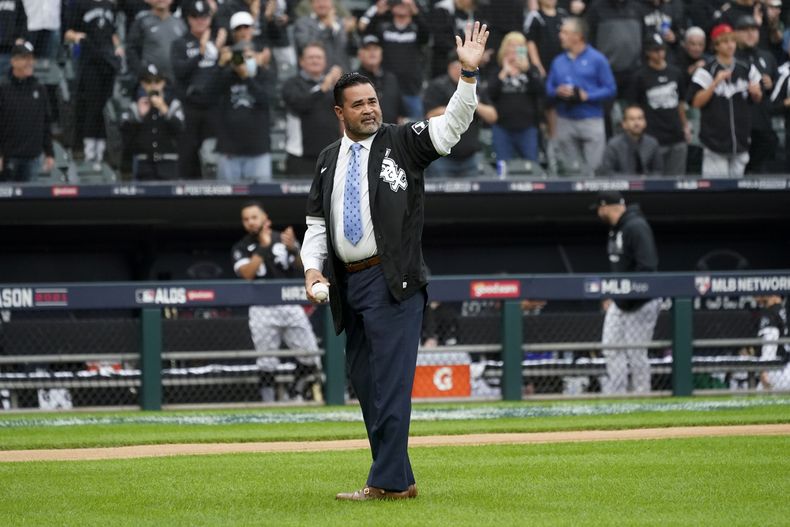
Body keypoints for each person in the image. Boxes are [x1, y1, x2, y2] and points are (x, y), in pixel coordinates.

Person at [300, 21, 488, 501]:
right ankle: (400, 480)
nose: (369, 109)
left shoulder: (402, 142)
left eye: (373, 101)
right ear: (339, 112)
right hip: (347, 286)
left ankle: (383, 483)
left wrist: (467, 77)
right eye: (358, 104)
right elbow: (317, 227)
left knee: (390, 388)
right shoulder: (325, 160)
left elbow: (451, 128)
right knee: (367, 386)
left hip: (394, 282)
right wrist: (312, 269)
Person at [232, 201, 322, 402]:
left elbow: (303, 267)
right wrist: (263, 249)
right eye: (246, 219)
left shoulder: (283, 240)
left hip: (289, 304)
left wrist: (293, 249)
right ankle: (268, 402)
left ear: (266, 219)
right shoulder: (242, 246)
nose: (250, 222)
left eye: (254, 217)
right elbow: (247, 274)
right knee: (266, 360)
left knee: (310, 354)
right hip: (261, 307)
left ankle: (295, 392)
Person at [592, 190, 660, 395]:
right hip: (621, 301)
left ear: (606, 207)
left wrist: (627, 295)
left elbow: (647, 267)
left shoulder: (636, 226)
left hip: (641, 302)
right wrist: (615, 295)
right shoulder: (617, 229)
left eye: (598, 208)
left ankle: (642, 395)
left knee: (636, 353)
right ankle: (616, 395)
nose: (597, 212)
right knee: (611, 348)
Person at [689, 23, 762, 178]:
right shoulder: (706, 71)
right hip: (715, 142)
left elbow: (758, 97)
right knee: (716, 194)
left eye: (732, 41)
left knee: (737, 195)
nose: (730, 45)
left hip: (741, 140)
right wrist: (715, 82)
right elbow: (695, 102)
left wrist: (756, 93)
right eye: (725, 41)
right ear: (716, 45)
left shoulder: (747, 67)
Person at [545, 16, 616, 175]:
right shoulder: (558, 61)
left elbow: (610, 89)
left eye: (564, 32)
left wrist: (587, 95)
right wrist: (557, 91)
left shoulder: (597, 59)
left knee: (594, 169)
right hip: (565, 120)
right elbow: (548, 88)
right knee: (570, 171)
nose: (560, 35)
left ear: (577, 36)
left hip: (591, 119)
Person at [214, 13, 274, 182]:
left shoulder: (264, 71)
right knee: (226, 203)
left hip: (258, 149)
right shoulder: (226, 73)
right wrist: (222, 65)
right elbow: (209, 94)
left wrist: (248, 76)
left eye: (249, 56)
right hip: (229, 149)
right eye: (240, 56)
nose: (244, 60)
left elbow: (267, 100)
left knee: (261, 200)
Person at [64, 0, 123, 166]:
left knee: (106, 106)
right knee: (92, 105)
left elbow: (113, 32)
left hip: (108, 62)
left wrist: (118, 47)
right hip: (90, 61)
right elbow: (67, 32)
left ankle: (102, 150)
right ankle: (90, 152)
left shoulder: (111, 6)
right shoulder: (81, 5)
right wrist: (77, 36)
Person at [423, 50, 497, 178]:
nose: (464, 70)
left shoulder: (475, 87)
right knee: (440, 198)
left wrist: (474, 104)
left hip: (470, 157)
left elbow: (493, 116)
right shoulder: (438, 86)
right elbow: (430, 115)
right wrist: (459, 106)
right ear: (451, 66)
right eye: (461, 66)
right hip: (442, 157)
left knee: (472, 197)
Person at [171, 0, 221, 180]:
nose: (200, 21)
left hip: (213, 108)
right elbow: (179, 71)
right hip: (190, 107)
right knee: (188, 153)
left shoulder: (218, 41)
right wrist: (200, 53)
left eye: (204, 17)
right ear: (188, 19)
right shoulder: (180, 43)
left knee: (212, 155)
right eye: (195, 17)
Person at [359, 0, 430, 121]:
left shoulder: (416, 27)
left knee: (415, 131)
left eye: (405, 3)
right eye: (397, 2)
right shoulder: (383, 26)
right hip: (386, 87)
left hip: (411, 88)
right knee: (384, 127)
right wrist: (378, 13)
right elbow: (366, 35)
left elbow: (426, 36)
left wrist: (416, 13)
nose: (402, 4)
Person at [281, 42, 342, 177]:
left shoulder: (333, 87)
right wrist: (322, 88)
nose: (315, 60)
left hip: (330, 156)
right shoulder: (292, 84)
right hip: (301, 157)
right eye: (311, 57)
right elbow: (300, 104)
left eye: (319, 57)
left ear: (325, 62)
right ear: (301, 61)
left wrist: (340, 87)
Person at [631, 33, 689, 175]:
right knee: (651, 179)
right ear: (648, 52)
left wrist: (685, 126)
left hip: (676, 133)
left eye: (662, 49)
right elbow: (635, 107)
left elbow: (681, 103)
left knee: (677, 180)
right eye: (655, 50)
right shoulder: (639, 76)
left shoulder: (675, 72)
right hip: (652, 135)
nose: (660, 53)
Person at [120, 63, 184, 180]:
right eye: (149, 82)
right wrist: (139, 116)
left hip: (169, 163)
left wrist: (165, 110)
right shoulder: (135, 105)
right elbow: (125, 137)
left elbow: (181, 130)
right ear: (143, 84)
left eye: (157, 81)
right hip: (144, 164)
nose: (153, 86)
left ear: (164, 82)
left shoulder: (173, 104)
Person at [0, 41, 54, 182]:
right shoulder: (3, 88)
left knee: (31, 203)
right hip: (8, 159)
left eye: (31, 58)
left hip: (33, 159)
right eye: (25, 58)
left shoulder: (40, 89)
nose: (30, 62)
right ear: (14, 61)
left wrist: (49, 153)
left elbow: (46, 123)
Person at [488, 31, 543, 164]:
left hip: (527, 127)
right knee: (503, 167)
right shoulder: (497, 70)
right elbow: (489, 94)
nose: (514, 49)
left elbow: (541, 91)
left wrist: (527, 70)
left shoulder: (532, 70)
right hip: (502, 127)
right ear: (504, 48)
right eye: (511, 45)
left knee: (531, 166)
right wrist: (504, 73)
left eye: (519, 45)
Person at [735, 15, 778, 174]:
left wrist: (770, 85)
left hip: (762, 122)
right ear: (736, 33)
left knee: (759, 173)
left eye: (753, 30)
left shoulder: (767, 56)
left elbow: (776, 91)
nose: (750, 34)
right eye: (745, 30)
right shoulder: (732, 56)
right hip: (739, 124)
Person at [125, 0, 187, 84]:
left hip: (175, 82)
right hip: (150, 82)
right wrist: (142, 72)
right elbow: (131, 50)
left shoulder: (181, 24)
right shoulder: (142, 22)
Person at [597, 105, 663, 176]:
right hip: (621, 185)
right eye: (632, 119)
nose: (637, 123)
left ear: (645, 122)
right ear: (624, 124)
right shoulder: (614, 145)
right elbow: (607, 172)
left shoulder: (652, 143)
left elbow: (658, 171)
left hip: (648, 185)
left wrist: (647, 180)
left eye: (640, 118)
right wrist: (632, 180)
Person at [292, 0, 355, 72]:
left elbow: (354, 51)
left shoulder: (342, 22)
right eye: (318, 1)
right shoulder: (302, 23)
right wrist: (325, 27)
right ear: (311, 4)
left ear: (332, 3)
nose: (322, 4)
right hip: (315, 76)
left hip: (343, 75)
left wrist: (351, 34)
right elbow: (304, 47)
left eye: (325, 1)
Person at [356, 35, 404, 125]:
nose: (372, 52)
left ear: (381, 53)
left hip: (391, 134)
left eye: (375, 49)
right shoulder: (353, 80)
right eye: (367, 49)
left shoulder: (392, 78)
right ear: (359, 54)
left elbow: (400, 114)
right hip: (364, 135)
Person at [753, 295, 790, 391]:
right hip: (786, 365)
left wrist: (764, 370)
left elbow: (769, 342)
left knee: (760, 401)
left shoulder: (770, 312)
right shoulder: (784, 311)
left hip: (775, 368)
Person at [0, 0, 26, 76]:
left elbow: (22, 20)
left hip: (10, 48)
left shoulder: (17, 1)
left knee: (7, 78)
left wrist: (21, 37)